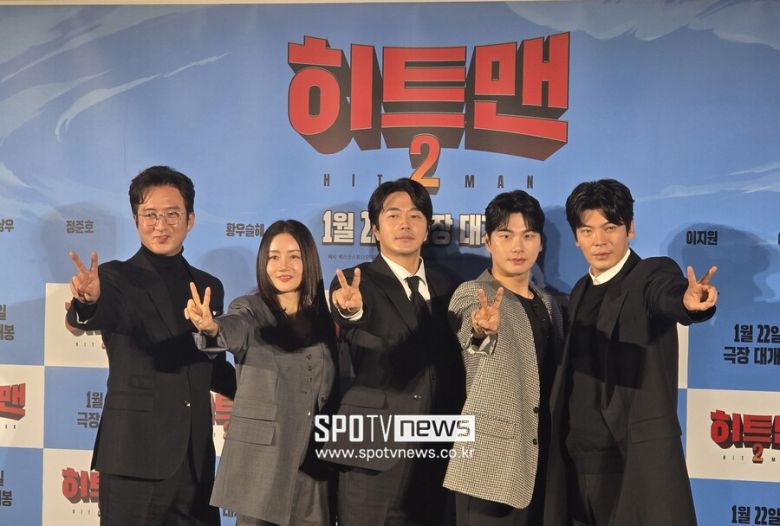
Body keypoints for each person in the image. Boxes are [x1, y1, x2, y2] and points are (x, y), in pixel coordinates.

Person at [66, 165, 236, 526]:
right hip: (134, 458)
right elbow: (90, 314)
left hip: (195, 461)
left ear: (190, 219)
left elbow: (213, 368)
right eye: (150, 215)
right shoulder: (114, 278)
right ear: (135, 219)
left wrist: (267, 387)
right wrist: (87, 302)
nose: (161, 225)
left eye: (172, 214)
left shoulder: (208, 287)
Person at [560, 179, 718, 526]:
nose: (599, 241)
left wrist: (688, 302)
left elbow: (666, 295)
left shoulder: (649, 275)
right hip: (576, 459)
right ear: (576, 237)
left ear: (629, 229)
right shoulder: (580, 290)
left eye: (610, 228)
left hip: (629, 459)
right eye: (587, 230)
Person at [326, 178, 464, 526]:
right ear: (375, 228)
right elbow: (353, 316)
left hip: (436, 452)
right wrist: (350, 310)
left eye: (415, 216)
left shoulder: (449, 285)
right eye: (393, 215)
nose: (405, 224)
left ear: (427, 228)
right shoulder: (355, 282)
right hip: (372, 452)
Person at [184, 219, 338, 526]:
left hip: (316, 469)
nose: (284, 266)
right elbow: (233, 328)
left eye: (294, 256)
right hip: (263, 467)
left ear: (309, 260)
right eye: (273, 257)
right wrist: (211, 328)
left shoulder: (325, 317)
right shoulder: (250, 309)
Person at [443, 190, 567, 526]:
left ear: (540, 243)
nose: (517, 246)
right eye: (506, 235)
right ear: (487, 241)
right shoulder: (473, 294)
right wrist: (482, 330)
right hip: (491, 465)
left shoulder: (549, 304)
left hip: (541, 461)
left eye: (528, 236)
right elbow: (473, 344)